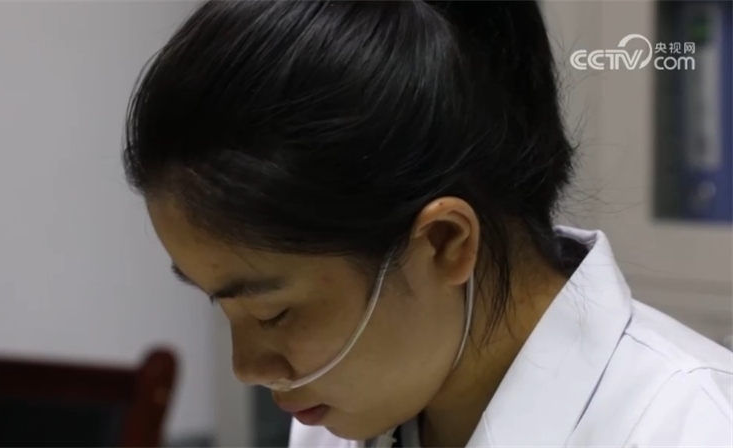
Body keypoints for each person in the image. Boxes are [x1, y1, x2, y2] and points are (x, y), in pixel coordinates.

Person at [122, 1, 733, 447]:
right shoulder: (347, 410)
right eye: (221, 306)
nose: (248, 367)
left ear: (444, 242)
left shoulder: (690, 425)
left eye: (273, 313)